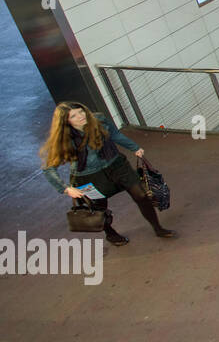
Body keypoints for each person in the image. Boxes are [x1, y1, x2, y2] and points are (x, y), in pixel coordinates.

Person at [40, 101, 177, 246]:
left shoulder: (99, 119)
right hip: (88, 178)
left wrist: (134, 147)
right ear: (65, 121)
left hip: (117, 166)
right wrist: (66, 189)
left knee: (142, 195)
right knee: (98, 210)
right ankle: (110, 234)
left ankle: (158, 228)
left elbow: (115, 135)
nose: (81, 116)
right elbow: (48, 168)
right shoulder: (63, 140)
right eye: (74, 116)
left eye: (81, 111)